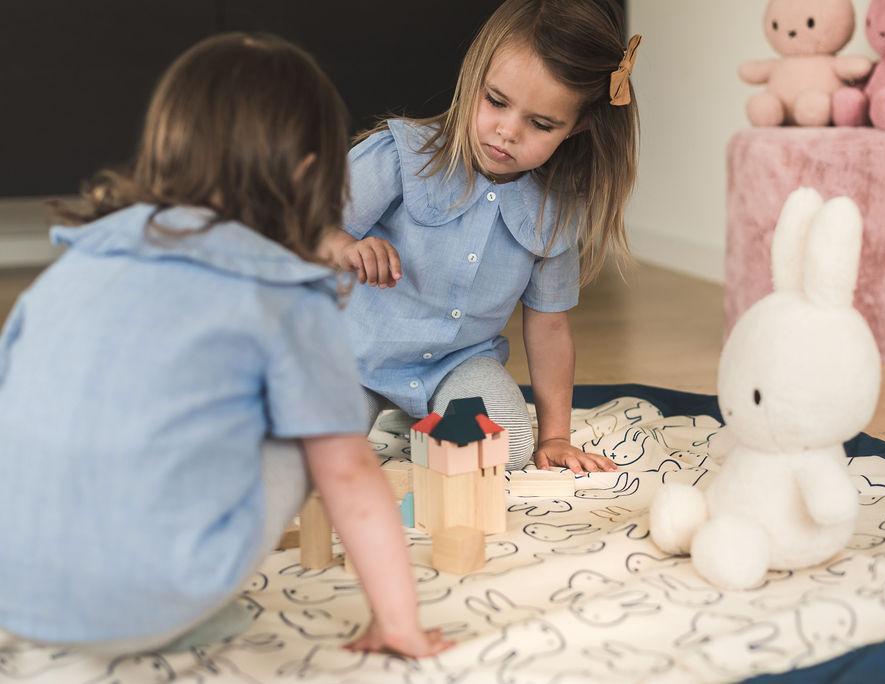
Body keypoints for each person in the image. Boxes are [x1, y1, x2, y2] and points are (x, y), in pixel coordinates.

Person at [0, 33, 449, 658]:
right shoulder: (286, 289)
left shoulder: (78, 260)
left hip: (14, 594)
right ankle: (180, 611)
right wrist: (399, 625)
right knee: (315, 430)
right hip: (145, 607)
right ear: (308, 174)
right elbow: (346, 470)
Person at [319, 0, 642, 474]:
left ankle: (434, 438)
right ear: (474, 79)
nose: (507, 132)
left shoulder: (555, 214)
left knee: (503, 447)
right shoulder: (402, 156)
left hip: (457, 364)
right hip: (355, 353)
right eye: (496, 101)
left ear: (578, 127)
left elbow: (549, 325)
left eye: (541, 124)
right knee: (316, 443)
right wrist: (345, 246)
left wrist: (555, 436)